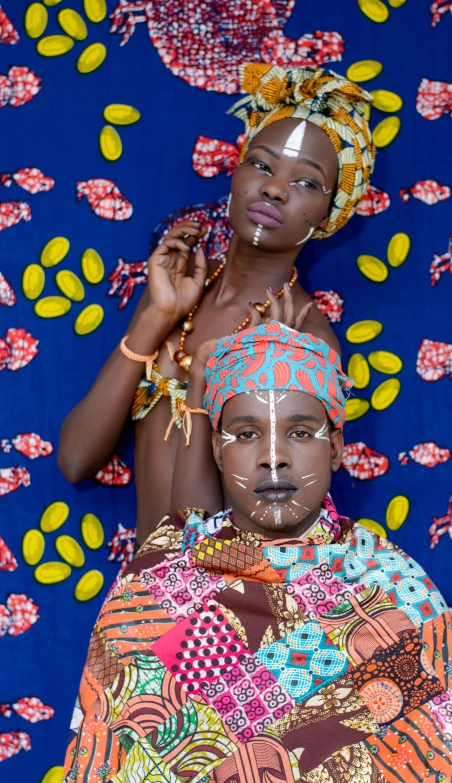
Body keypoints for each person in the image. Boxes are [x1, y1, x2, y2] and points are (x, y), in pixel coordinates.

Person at [63, 320, 452, 783]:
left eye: (301, 433)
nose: (274, 456)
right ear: (218, 453)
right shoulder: (158, 579)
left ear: (337, 448)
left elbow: (439, 761)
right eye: (246, 435)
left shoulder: (393, 587)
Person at [57, 63, 375, 546]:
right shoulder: (182, 291)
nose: (274, 188)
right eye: (263, 165)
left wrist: (234, 372)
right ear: (237, 171)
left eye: (306, 183)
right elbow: (76, 459)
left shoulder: (302, 338)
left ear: (331, 215)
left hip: (216, 615)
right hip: (141, 604)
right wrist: (155, 316)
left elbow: (206, 536)